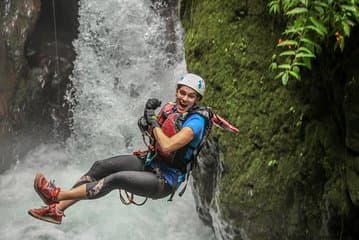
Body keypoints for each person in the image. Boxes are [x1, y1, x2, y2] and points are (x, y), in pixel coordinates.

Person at [28, 73, 215, 224]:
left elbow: (167, 144)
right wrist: (146, 122)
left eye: (191, 96)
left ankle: (56, 195)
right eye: (182, 93)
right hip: (152, 163)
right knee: (101, 166)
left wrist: (152, 122)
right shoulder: (171, 108)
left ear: (197, 100)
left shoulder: (196, 122)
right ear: (176, 91)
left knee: (116, 179)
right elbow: (155, 138)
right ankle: (57, 211)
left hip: (165, 180)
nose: (185, 98)